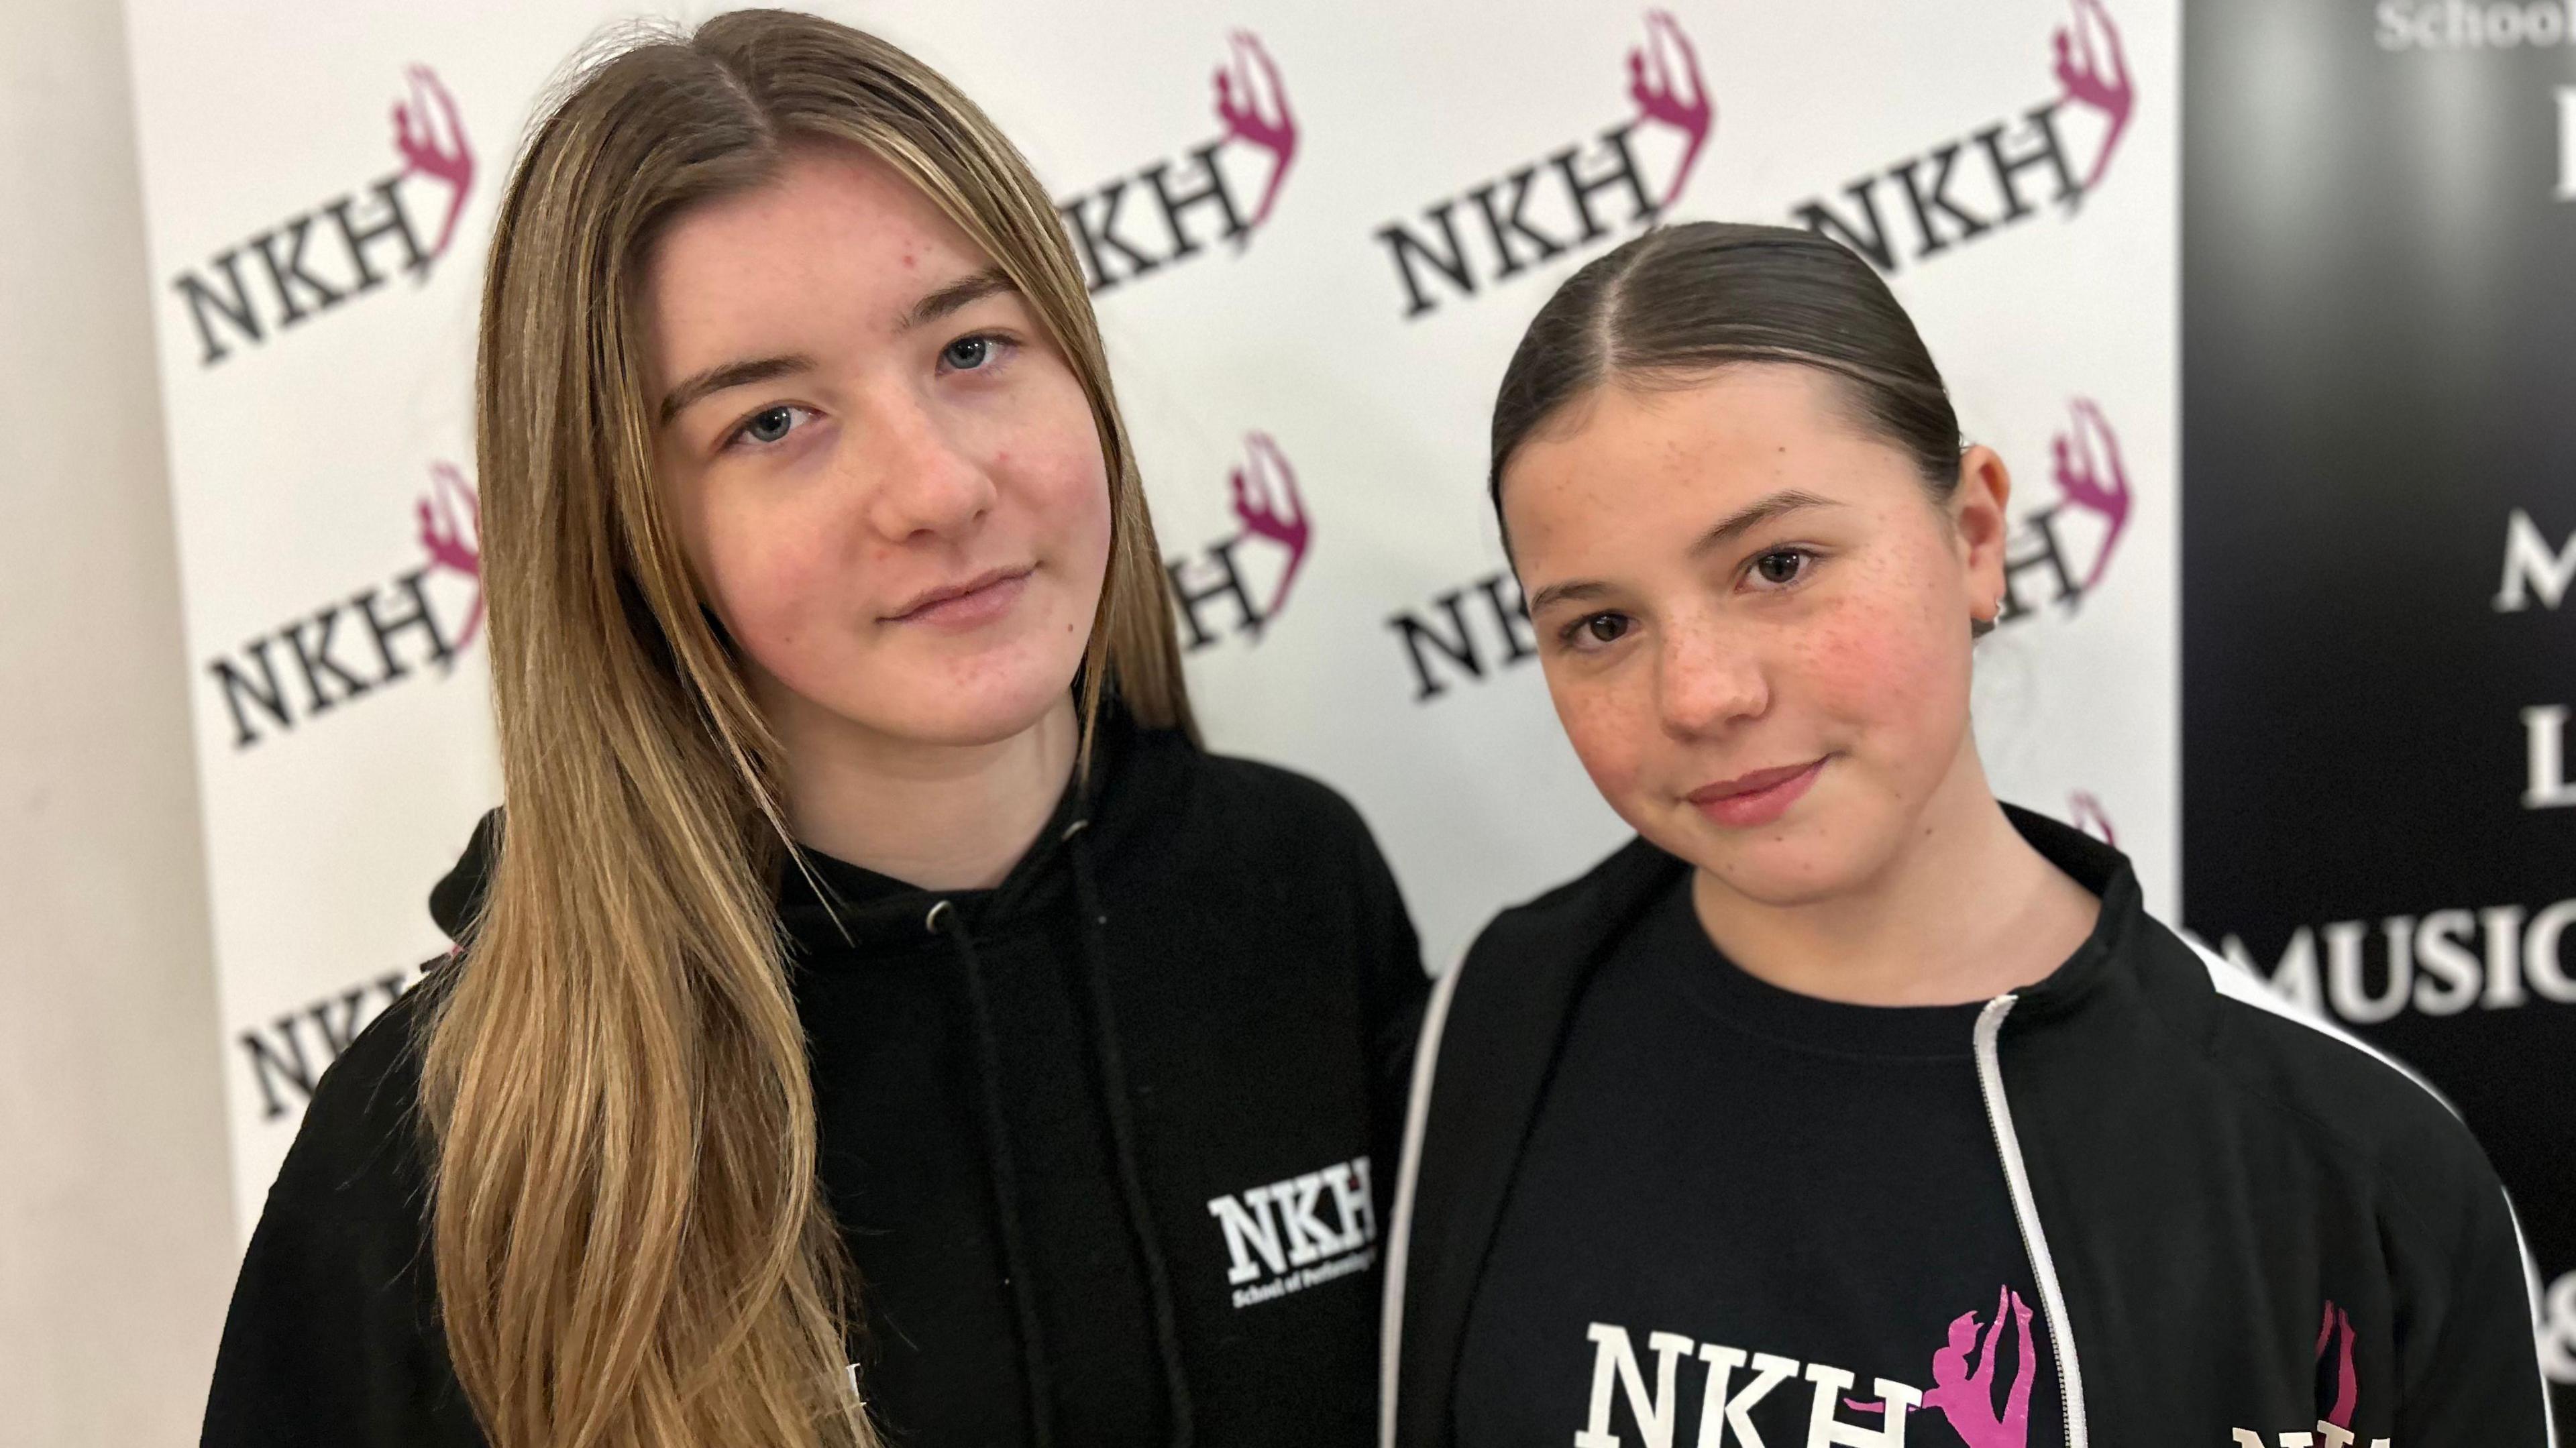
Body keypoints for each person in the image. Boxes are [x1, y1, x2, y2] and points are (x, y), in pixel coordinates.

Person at [200, 12, 1424, 1448]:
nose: (937, 488)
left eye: (973, 346)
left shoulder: (1295, 885)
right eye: (773, 423)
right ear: (624, 528)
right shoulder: (467, 1133)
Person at [1379, 221, 2553, 1448]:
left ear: (1975, 537)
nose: (1701, 696)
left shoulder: (2350, 1169)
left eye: (1778, 563)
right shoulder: (1485, 1032)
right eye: (1601, 626)